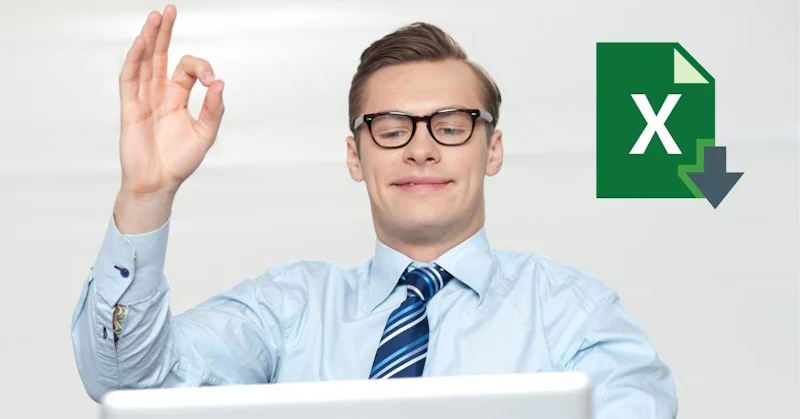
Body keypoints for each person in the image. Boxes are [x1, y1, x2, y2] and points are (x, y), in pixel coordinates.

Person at [71, 4, 677, 418]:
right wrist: (146, 196)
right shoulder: (286, 312)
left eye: (451, 125)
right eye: (390, 128)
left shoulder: (573, 316)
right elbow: (128, 385)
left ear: (492, 150)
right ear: (355, 157)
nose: (420, 148)